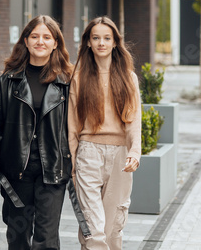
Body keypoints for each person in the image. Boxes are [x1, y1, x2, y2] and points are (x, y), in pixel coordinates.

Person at [0, 15, 74, 249]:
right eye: (34, 36)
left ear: (56, 43)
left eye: (47, 37)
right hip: (17, 171)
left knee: (46, 238)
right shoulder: (8, 81)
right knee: (18, 235)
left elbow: (75, 128)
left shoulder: (68, 81)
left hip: (53, 168)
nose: (40, 41)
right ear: (25, 41)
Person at [68, 16, 141, 250]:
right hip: (88, 153)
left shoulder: (128, 78)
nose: (101, 43)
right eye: (96, 38)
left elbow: (134, 120)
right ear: (88, 42)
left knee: (112, 230)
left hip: (121, 156)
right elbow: (72, 125)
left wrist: (135, 152)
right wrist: (71, 162)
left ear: (115, 42)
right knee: (94, 228)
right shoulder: (78, 77)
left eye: (106, 38)